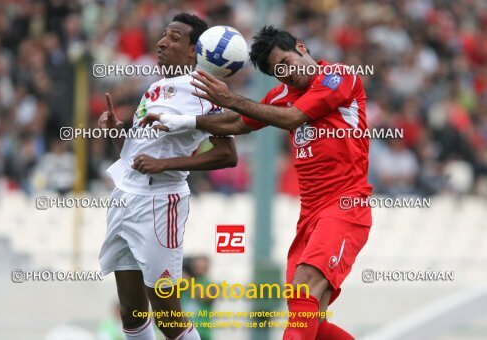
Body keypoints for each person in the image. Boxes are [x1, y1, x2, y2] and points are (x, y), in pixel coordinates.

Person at [144, 25, 373, 340]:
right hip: (310, 215)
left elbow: (292, 118)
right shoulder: (280, 95)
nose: (285, 74)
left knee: (306, 285)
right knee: (311, 322)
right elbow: (239, 122)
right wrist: (183, 121)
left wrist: (232, 98)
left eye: (286, 63)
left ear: (302, 47)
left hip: (345, 205)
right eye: (276, 72)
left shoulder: (338, 77)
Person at [98, 13, 237, 340]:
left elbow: (227, 154)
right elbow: (136, 155)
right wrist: (118, 132)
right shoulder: (156, 89)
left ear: (193, 51)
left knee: (167, 314)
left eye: (174, 38)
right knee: (131, 312)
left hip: (160, 203)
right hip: (124, 196)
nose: (162, 42)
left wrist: (167, 164)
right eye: (163, 36)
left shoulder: (203, 89)